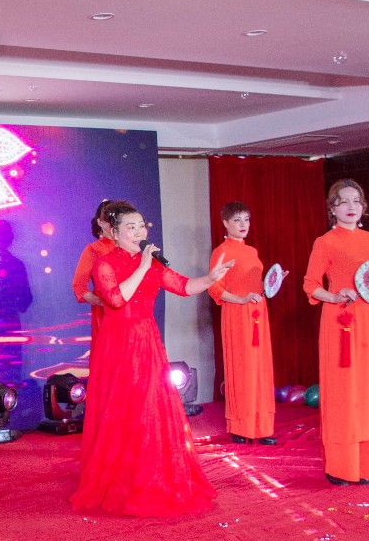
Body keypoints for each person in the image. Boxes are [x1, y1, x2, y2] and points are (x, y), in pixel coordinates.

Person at [70, 201, 231, 516]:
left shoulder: (154, 264)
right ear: (114, 233)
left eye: (141, 226)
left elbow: (183, 286)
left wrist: (210, 278)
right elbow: (116, 299)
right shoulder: (105, 263)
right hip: (118, 345)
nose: (138, 232)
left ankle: (150, 475)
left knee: (150, 409)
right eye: (130, 227)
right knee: (124, 410)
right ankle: (121, 479)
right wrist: (143, 266)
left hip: (147, 341)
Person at [303, 179, 369, 485]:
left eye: (356, 201)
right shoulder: (325, 242)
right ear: (332, 208)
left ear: (364, 207)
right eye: (343, 201)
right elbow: (310, 284)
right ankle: (341, 466)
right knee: (344, 392)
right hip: (342, 320)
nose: (351, 207)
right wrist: (334, 296)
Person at [209, 201, 280, 445]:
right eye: (237, 220)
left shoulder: (252, 251)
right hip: (237, 313)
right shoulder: (221, 252)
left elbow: (257, 286)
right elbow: (215, 288)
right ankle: (241, 427)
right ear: (225, 223)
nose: (243, 225)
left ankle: (263, 428)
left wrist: (273, 283)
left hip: (258, 313)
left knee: (261, 368)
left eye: (246, 219)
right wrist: (240, 299)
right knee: (242, 368)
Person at [71, 199, 116, 354]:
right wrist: (103, 303)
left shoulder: (131, 248)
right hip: (107, 315)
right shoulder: (94, 249)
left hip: (132, 313)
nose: (114, 222)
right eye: (109, 217)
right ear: (100, 222)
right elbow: (79, 286)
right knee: (110, 356)